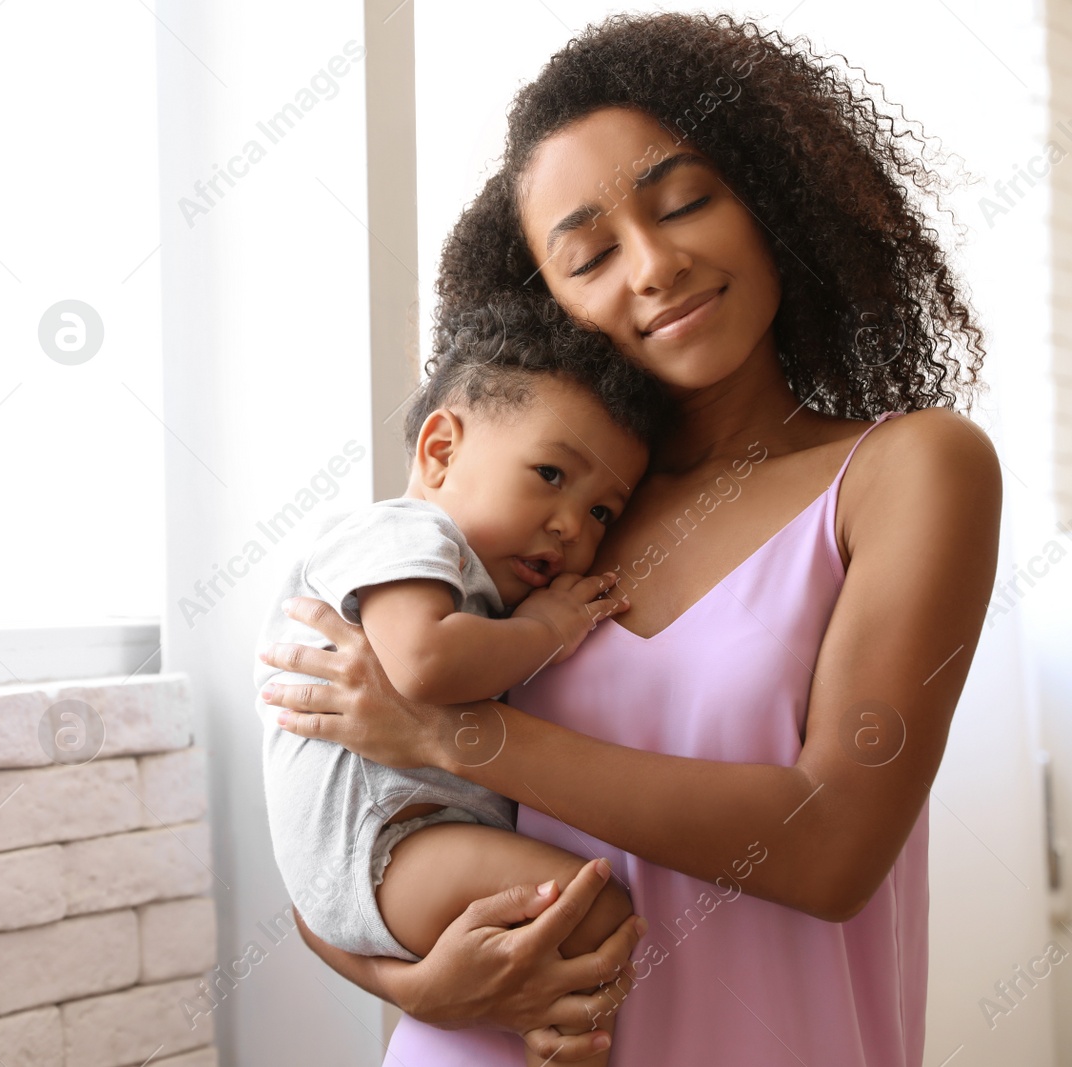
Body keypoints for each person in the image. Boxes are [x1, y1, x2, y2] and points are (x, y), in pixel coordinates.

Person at [257, 11, 998, 1065]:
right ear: (545, 301)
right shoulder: (532, 524)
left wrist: (456, 733)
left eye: (687, 201)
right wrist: (421, 983)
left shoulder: (907, 469)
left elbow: (834, 846)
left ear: (772, 199)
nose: (651, 265)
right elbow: (333, 828)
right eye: (590, 253)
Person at [254, 293, 674, 1065]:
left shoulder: (473, 576)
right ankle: (554, 1031)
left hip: (400, 845)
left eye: (604, 512)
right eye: (550, 474)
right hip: (387, 844)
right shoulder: (403, 532)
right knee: (599, 911)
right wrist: (546, 629)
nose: (571, 526)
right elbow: (423, 664)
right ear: (440, 450)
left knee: (580, 923)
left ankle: (545, 1027)